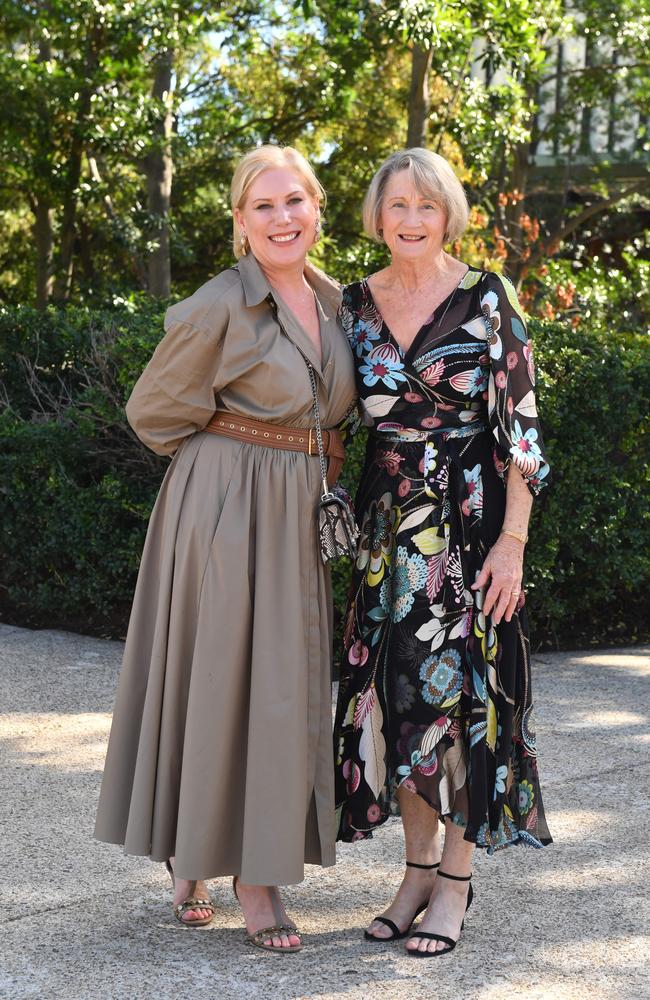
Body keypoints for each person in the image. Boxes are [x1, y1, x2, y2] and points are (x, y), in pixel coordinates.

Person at [94, 144, 356, 953]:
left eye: (295, 202)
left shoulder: (340, 302)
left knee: (283, 685)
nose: (282, 218)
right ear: (239, 221)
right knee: (219, 681)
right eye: (264, 206)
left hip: (300, 511)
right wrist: (233, 457)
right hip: (226, 508)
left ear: (317, 211)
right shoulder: (217, 303)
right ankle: (251, 880)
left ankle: (207, 857)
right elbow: (154, 414)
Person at [332, 148, 552, 957]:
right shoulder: (352, 304)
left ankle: (455, 884)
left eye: (427, 206)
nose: (411, 220)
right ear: (377, 215)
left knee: (461, 707)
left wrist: (513, 544)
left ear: (448, 213)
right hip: (386, 541)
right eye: (397, 206)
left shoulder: (487, 297)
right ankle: (415, 870)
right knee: (397, 706)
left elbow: (521, 432)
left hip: (469, 533)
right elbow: (327, 416)